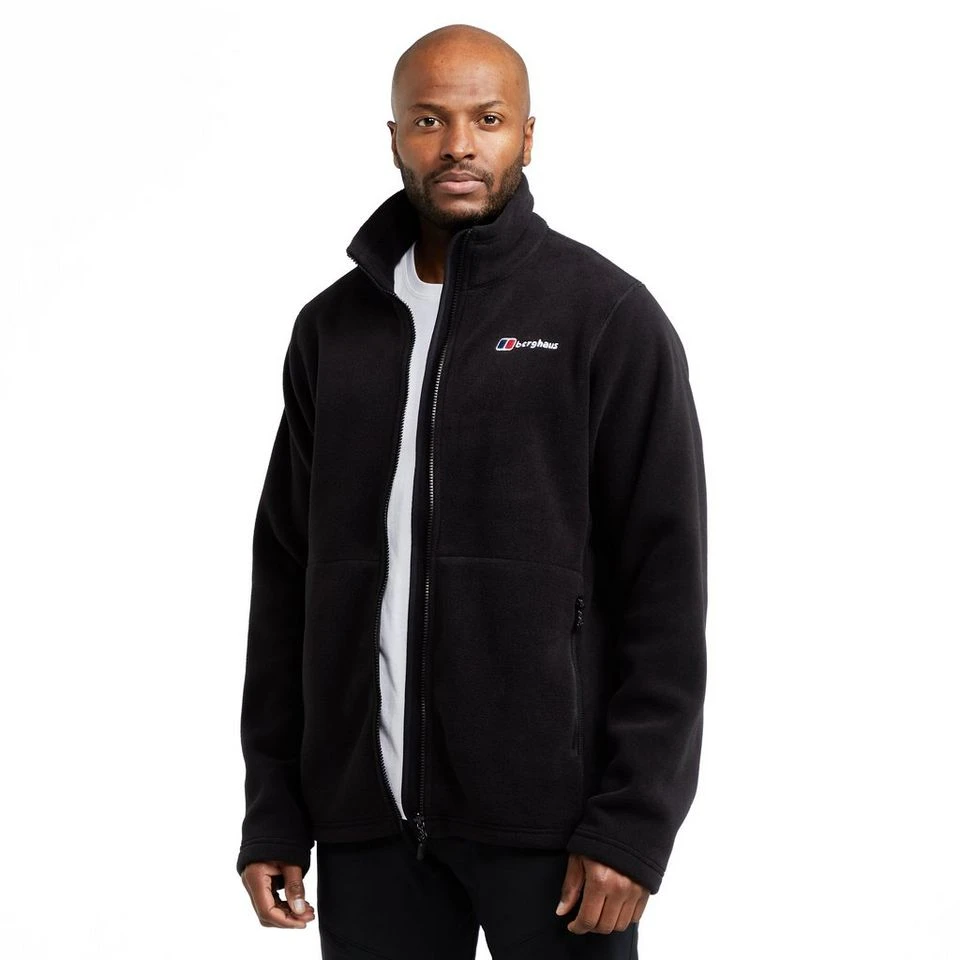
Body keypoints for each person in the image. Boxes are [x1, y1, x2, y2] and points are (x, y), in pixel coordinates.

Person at [237, 22, 708, 959]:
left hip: (557, 830)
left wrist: (633, 824)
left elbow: (665, 585)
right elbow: (287, 581)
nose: (458, 144)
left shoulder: (604, 317)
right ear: (395, 138)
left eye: (487, 119)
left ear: (528, 135)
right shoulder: (333, 332)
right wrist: (276, 808)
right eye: (429, 120)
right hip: (367, 826)